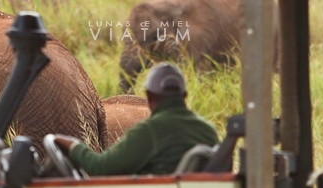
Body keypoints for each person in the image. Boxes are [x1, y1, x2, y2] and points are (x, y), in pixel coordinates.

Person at [53, 62, 218, 176]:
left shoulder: (149, 131)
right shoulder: (208, 130)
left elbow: (101, 167)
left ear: (149, 97)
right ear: (184, 95)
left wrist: (74, 147)